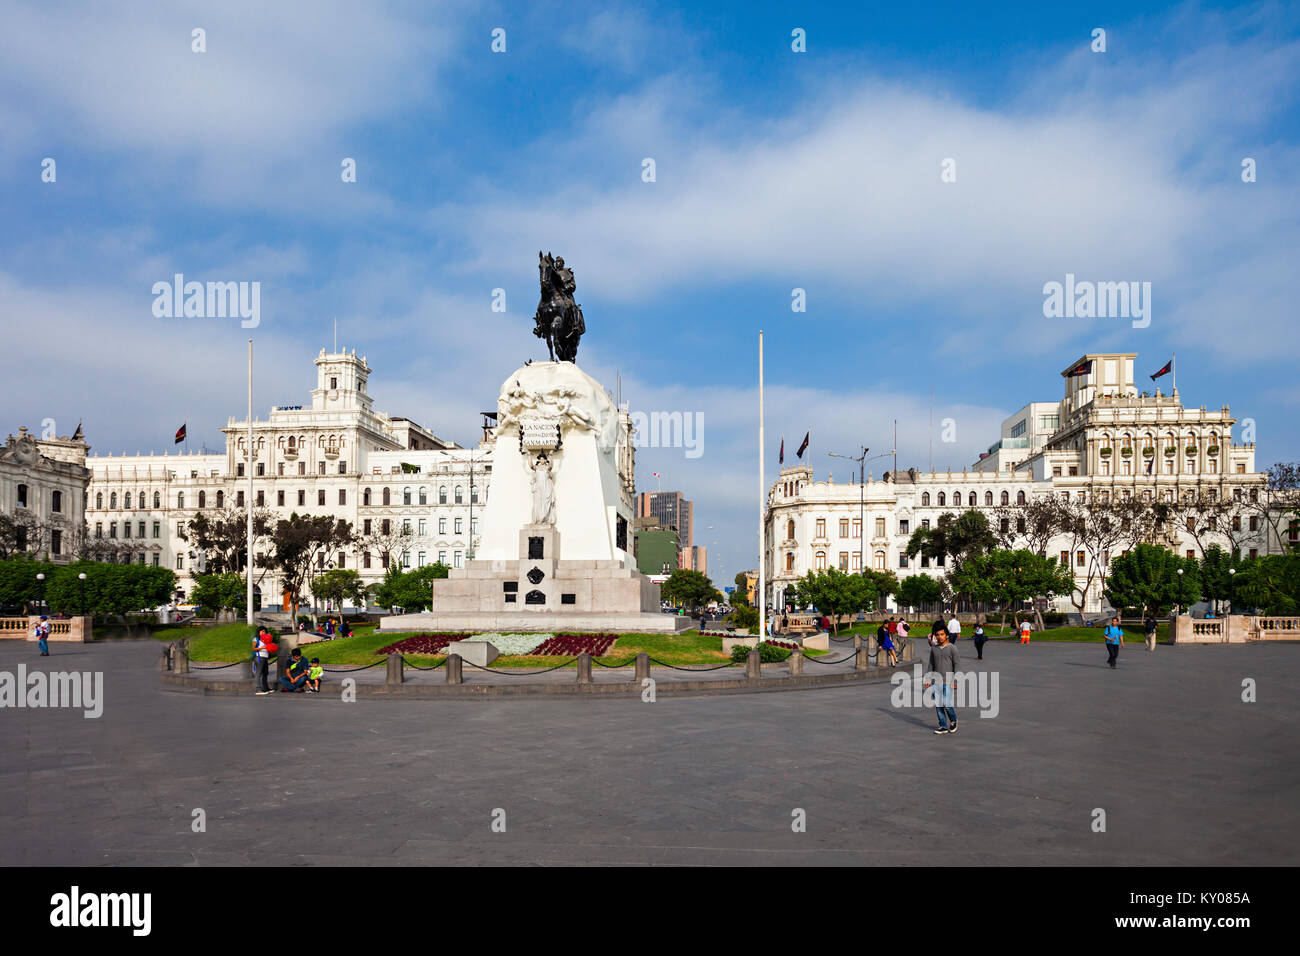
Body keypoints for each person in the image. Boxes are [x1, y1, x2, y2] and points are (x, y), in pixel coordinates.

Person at [926, 626, 959, 734]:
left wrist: (955, 681)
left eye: (942, 634)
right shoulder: (934, 649)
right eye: (938, 635)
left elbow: (956, 665)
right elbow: (931, 664)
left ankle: (953, 720)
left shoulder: (952, 648)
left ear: (947, 635)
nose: (940, 637)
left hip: (948, 681)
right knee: (939, 705)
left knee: (946, 703)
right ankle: (943, 725)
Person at [252, 628, 273, 695]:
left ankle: (266, 688)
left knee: (265, 673)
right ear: (259, 632)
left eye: (265, 631)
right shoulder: (256, 639)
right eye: (262, 631)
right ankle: (258, 689)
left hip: (265, 657)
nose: (264, 632)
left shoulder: (265, 640)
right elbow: (253, 649)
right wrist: (263, 648)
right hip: (259, 657)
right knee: (258, 673)